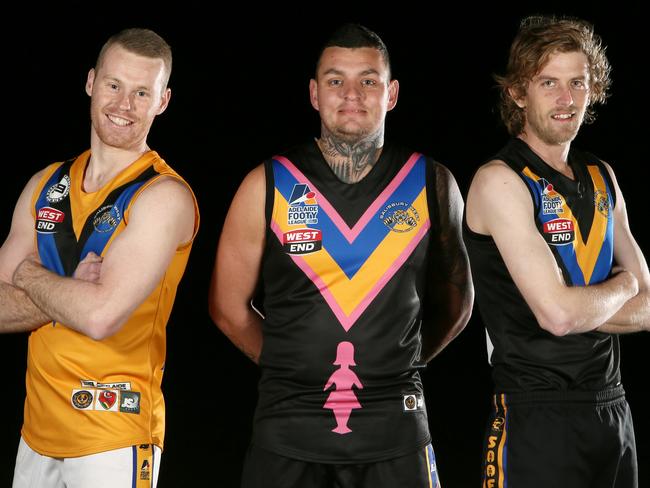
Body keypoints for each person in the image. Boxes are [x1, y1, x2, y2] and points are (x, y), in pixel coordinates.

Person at [209, 23, 473, 487]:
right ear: (314, 93)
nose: (352, 94)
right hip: (286, 429)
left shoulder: (432, 183)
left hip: (397, 429)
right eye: (335, 80)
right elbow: (228, 309)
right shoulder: (267, 184)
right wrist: (293, 367)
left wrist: (399, 364)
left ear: (391, 93)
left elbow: (457, 304)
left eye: (368, 80)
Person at [0, 28, 199, 488]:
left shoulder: (163, 196)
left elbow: (100, 317)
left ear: (162, 102)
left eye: (141, 92)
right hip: (36, 435)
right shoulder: (45, 184)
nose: (124, 104)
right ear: (91, 82)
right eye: (114, 85)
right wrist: (70, 289)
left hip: (114, 433)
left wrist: (27, 274)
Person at [464, 15, 649, 488]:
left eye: (578, 83)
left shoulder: (602, 176)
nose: (567, 99)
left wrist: (583, 301)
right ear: (518, 93)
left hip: (612, 411)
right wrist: (622, 285)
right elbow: (558, 317)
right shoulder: (500, 180)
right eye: (549, 83)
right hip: (535, 416)